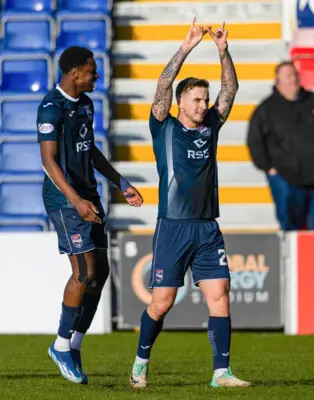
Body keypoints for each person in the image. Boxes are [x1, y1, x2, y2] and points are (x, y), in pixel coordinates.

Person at [129, 19, 251, 389]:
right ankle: (140, 362)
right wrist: (186, 47)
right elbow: (163, 84)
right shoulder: (163, 126)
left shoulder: (211, 125)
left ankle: (221, 373)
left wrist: (222, 50)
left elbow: (231, 88)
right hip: (173, 225)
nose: (203, 104)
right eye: (196, 99)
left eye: (205, 99)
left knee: (220, 296)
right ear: (180, 102)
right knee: (161, 303)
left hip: (207, 227)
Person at [38, 46, 144, 384]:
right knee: (83, 273)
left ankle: (75, 345)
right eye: (91, 72)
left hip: (89, 196)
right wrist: (75, 200)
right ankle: (60, 346)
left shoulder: (85, 104)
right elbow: (49, 161)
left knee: (100, 275)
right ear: (73, 73)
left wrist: (119, 181)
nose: (96, 77)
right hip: (65, 199)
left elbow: (90, 149)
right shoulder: (51, 108)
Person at [246, 62, 314, 231]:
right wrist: (268, 168)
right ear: (278, 81)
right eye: (288, 75)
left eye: (295, 74)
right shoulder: (266, 109)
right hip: (287, 177)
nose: (293, 79)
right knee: (292, 231)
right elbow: (255, 141)